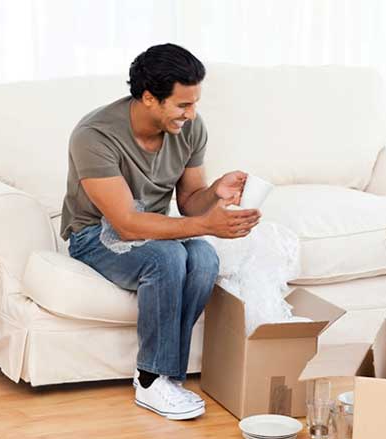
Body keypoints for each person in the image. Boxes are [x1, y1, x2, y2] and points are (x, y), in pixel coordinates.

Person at [60, 43, 261, 420]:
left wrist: (216, 192)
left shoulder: (189, 128)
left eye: (195, 103)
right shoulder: (94, 135)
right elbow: (125, 223)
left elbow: (188, 201)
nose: (192, 114)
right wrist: (206, 224)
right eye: (183, 105)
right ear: (149, 98)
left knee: (203, 257)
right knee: (167, 257)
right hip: (94, 234)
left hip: (153, 230)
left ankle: (168, 375)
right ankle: (151, 379)